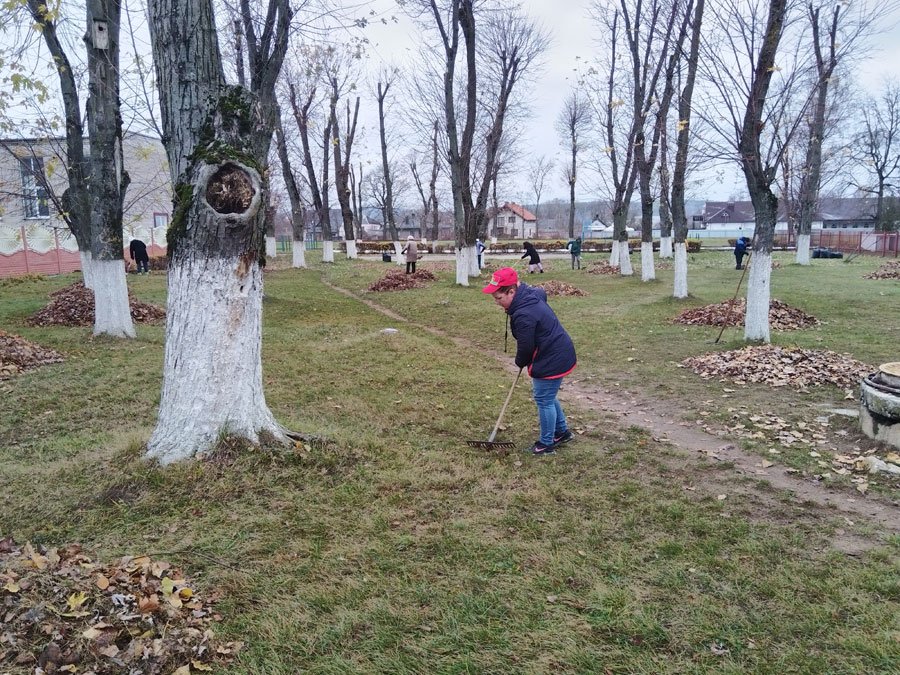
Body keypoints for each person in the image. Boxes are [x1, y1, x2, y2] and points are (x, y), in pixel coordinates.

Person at [482, 266, 576, 455]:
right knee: (548, 396)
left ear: (512, 291)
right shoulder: (529, 294)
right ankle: (562, 432)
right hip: (558, 351)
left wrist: (520, 361)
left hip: (552, 357)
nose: (497, 303)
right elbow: (540, 293)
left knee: (543, 399)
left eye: (499, 298)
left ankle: (546, 444)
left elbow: (525, 347)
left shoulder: (523, 314)